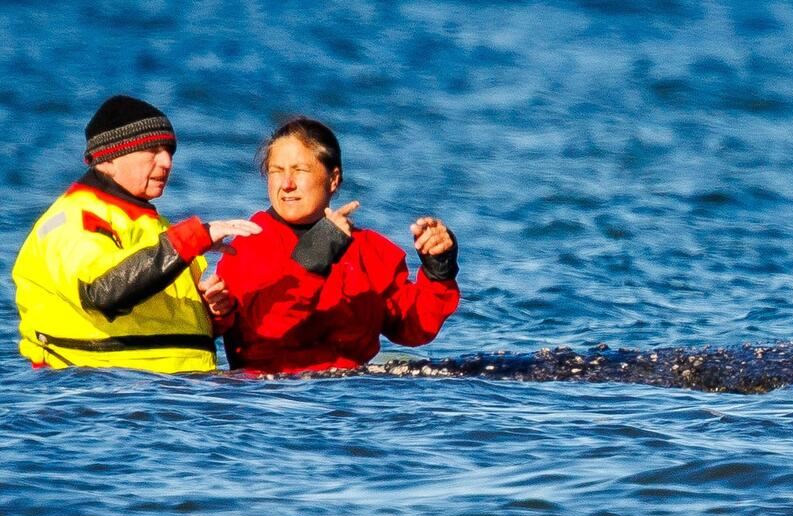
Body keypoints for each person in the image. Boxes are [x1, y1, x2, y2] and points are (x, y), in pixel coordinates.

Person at [12, 94, 260, 373]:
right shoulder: (70, 219)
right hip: (103, 394)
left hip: (182, 395)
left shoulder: (160, 229)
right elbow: (105, 291)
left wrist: (214, 313)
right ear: (108, 159)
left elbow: (169, 330)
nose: (166, 162)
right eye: (152, 150)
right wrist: (193, 238)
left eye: (168, 151)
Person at [216, 117, 460, 373]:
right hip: (273, 397)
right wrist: (315, 256)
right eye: (277, 171)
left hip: (353, 397)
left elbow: (414, 328)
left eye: (299, 170)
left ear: (333, 179)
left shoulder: (368, 249)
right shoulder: (248, 244)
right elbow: (268, 329)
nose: (286, 184)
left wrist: (438, 270)